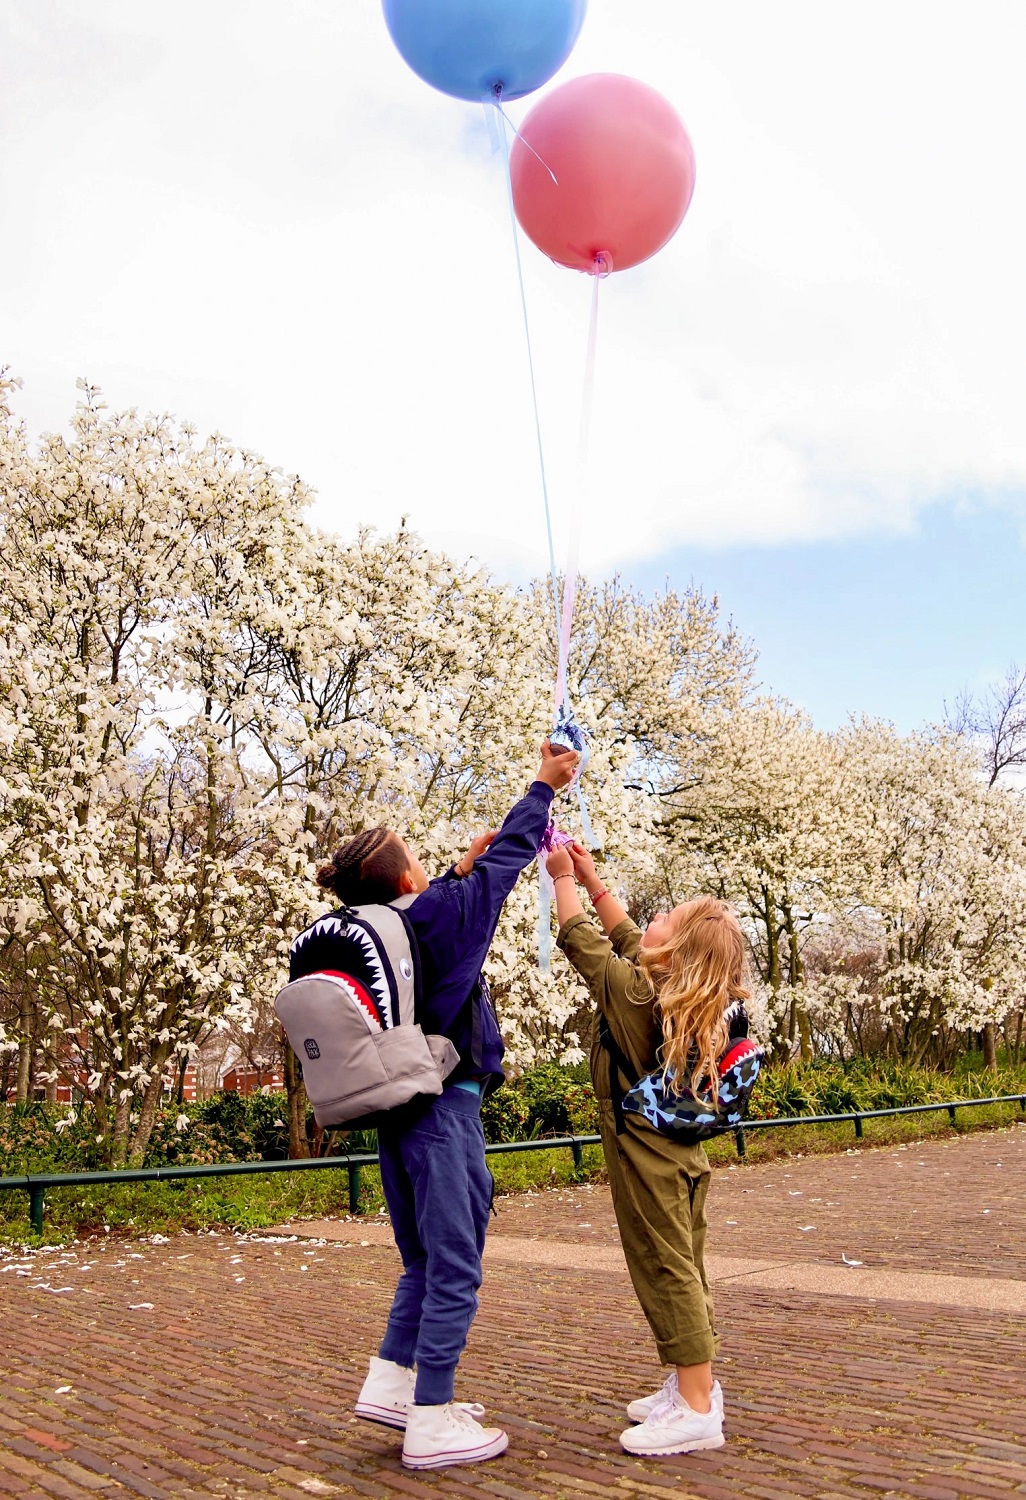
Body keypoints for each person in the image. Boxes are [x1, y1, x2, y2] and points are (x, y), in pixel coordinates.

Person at [290, 741, 578, 1471]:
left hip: (395, 1111)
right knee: (455, 1260)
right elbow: (513, 856)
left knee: (420, 1259)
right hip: (446, 1109)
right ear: (407, 876)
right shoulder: (444, 916)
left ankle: (394, 1384)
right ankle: (433, 1418)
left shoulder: (389, 929)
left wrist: (455, 871)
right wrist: (544, 785)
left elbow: (439, 905)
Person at [545, 840, 750, 1458]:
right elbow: (630, 939)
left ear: (676, 950)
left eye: (666, 916)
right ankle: (696, 1385)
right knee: (685, 1264)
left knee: (665, 1270)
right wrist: (589, 874)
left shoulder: (637, 996)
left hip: (645, 1158)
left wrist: (561, 880)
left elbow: (584, 943)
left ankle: (694, 1411)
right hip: (682, 1155)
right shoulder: (680, 999)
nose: (651, 919)